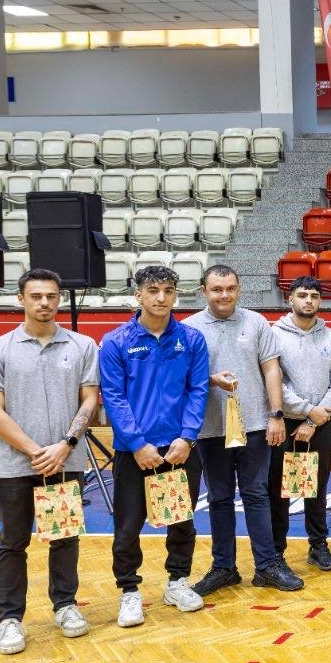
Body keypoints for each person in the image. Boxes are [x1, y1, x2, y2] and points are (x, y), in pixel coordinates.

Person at [0, 269, 101, 655]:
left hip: (66, 461)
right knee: (12, 542)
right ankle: (9, 618)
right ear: (21, 300)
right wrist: (36, 451)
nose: (44, 302)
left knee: (64, 537)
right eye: (36, 296)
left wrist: (65, 445)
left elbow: (90, 400)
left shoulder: (82, 346)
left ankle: (65, 606)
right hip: (17, 465)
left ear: (59, 299)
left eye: (51, 296)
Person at [98, 265, 208, 628]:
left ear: (176, 295)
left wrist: (187, 437)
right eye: (153, 290)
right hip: (135, 452)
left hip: (180, 449)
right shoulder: (115, 341)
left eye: (168, 291)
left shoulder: (192, 340)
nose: (161, 298)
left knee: (182, 521)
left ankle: (177, 582)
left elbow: (198, 390)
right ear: (138, 295)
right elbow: (113, 397)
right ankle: (129, 590)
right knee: (128, 526)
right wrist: (136, 443)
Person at [183, 266, 298, 595]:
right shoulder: (188, 329)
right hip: (210, 428)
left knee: (257, 494)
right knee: (219, 498)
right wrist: (211, 380)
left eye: (230, 288)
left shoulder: (257, 322)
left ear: (239, 289)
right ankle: (224, 567)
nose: (224, 295)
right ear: (203, 291)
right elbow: (183, 378)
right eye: (217, 289)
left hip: (256, 425)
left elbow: (271, 369)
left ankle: (267, 565)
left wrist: (276, 415)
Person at [267, 275, 331, 573]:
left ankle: (318, 545)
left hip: (321, 423)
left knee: (317, 487)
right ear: (290, 299)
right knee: (279, 489)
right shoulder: (273, 335)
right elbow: (274, 381)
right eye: (302, 295)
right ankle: (276, 551)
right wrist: (306, 411)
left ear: (320, 300)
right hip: (283, 423)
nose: (308, 301)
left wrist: (313, 420)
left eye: (314, 296)